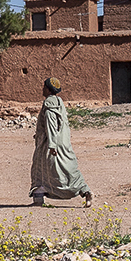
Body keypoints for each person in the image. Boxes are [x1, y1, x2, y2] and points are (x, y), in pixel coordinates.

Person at [30, 77, 93, 207]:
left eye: (44, 87)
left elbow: (51, 125)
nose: (42, 89)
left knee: (42, 169)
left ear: (48, 89)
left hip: (49, 144)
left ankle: (39, 197)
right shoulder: (59, 102)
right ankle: (84, 190)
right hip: (63, 142)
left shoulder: (49, 104)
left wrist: (52, 145)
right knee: (68, 168)